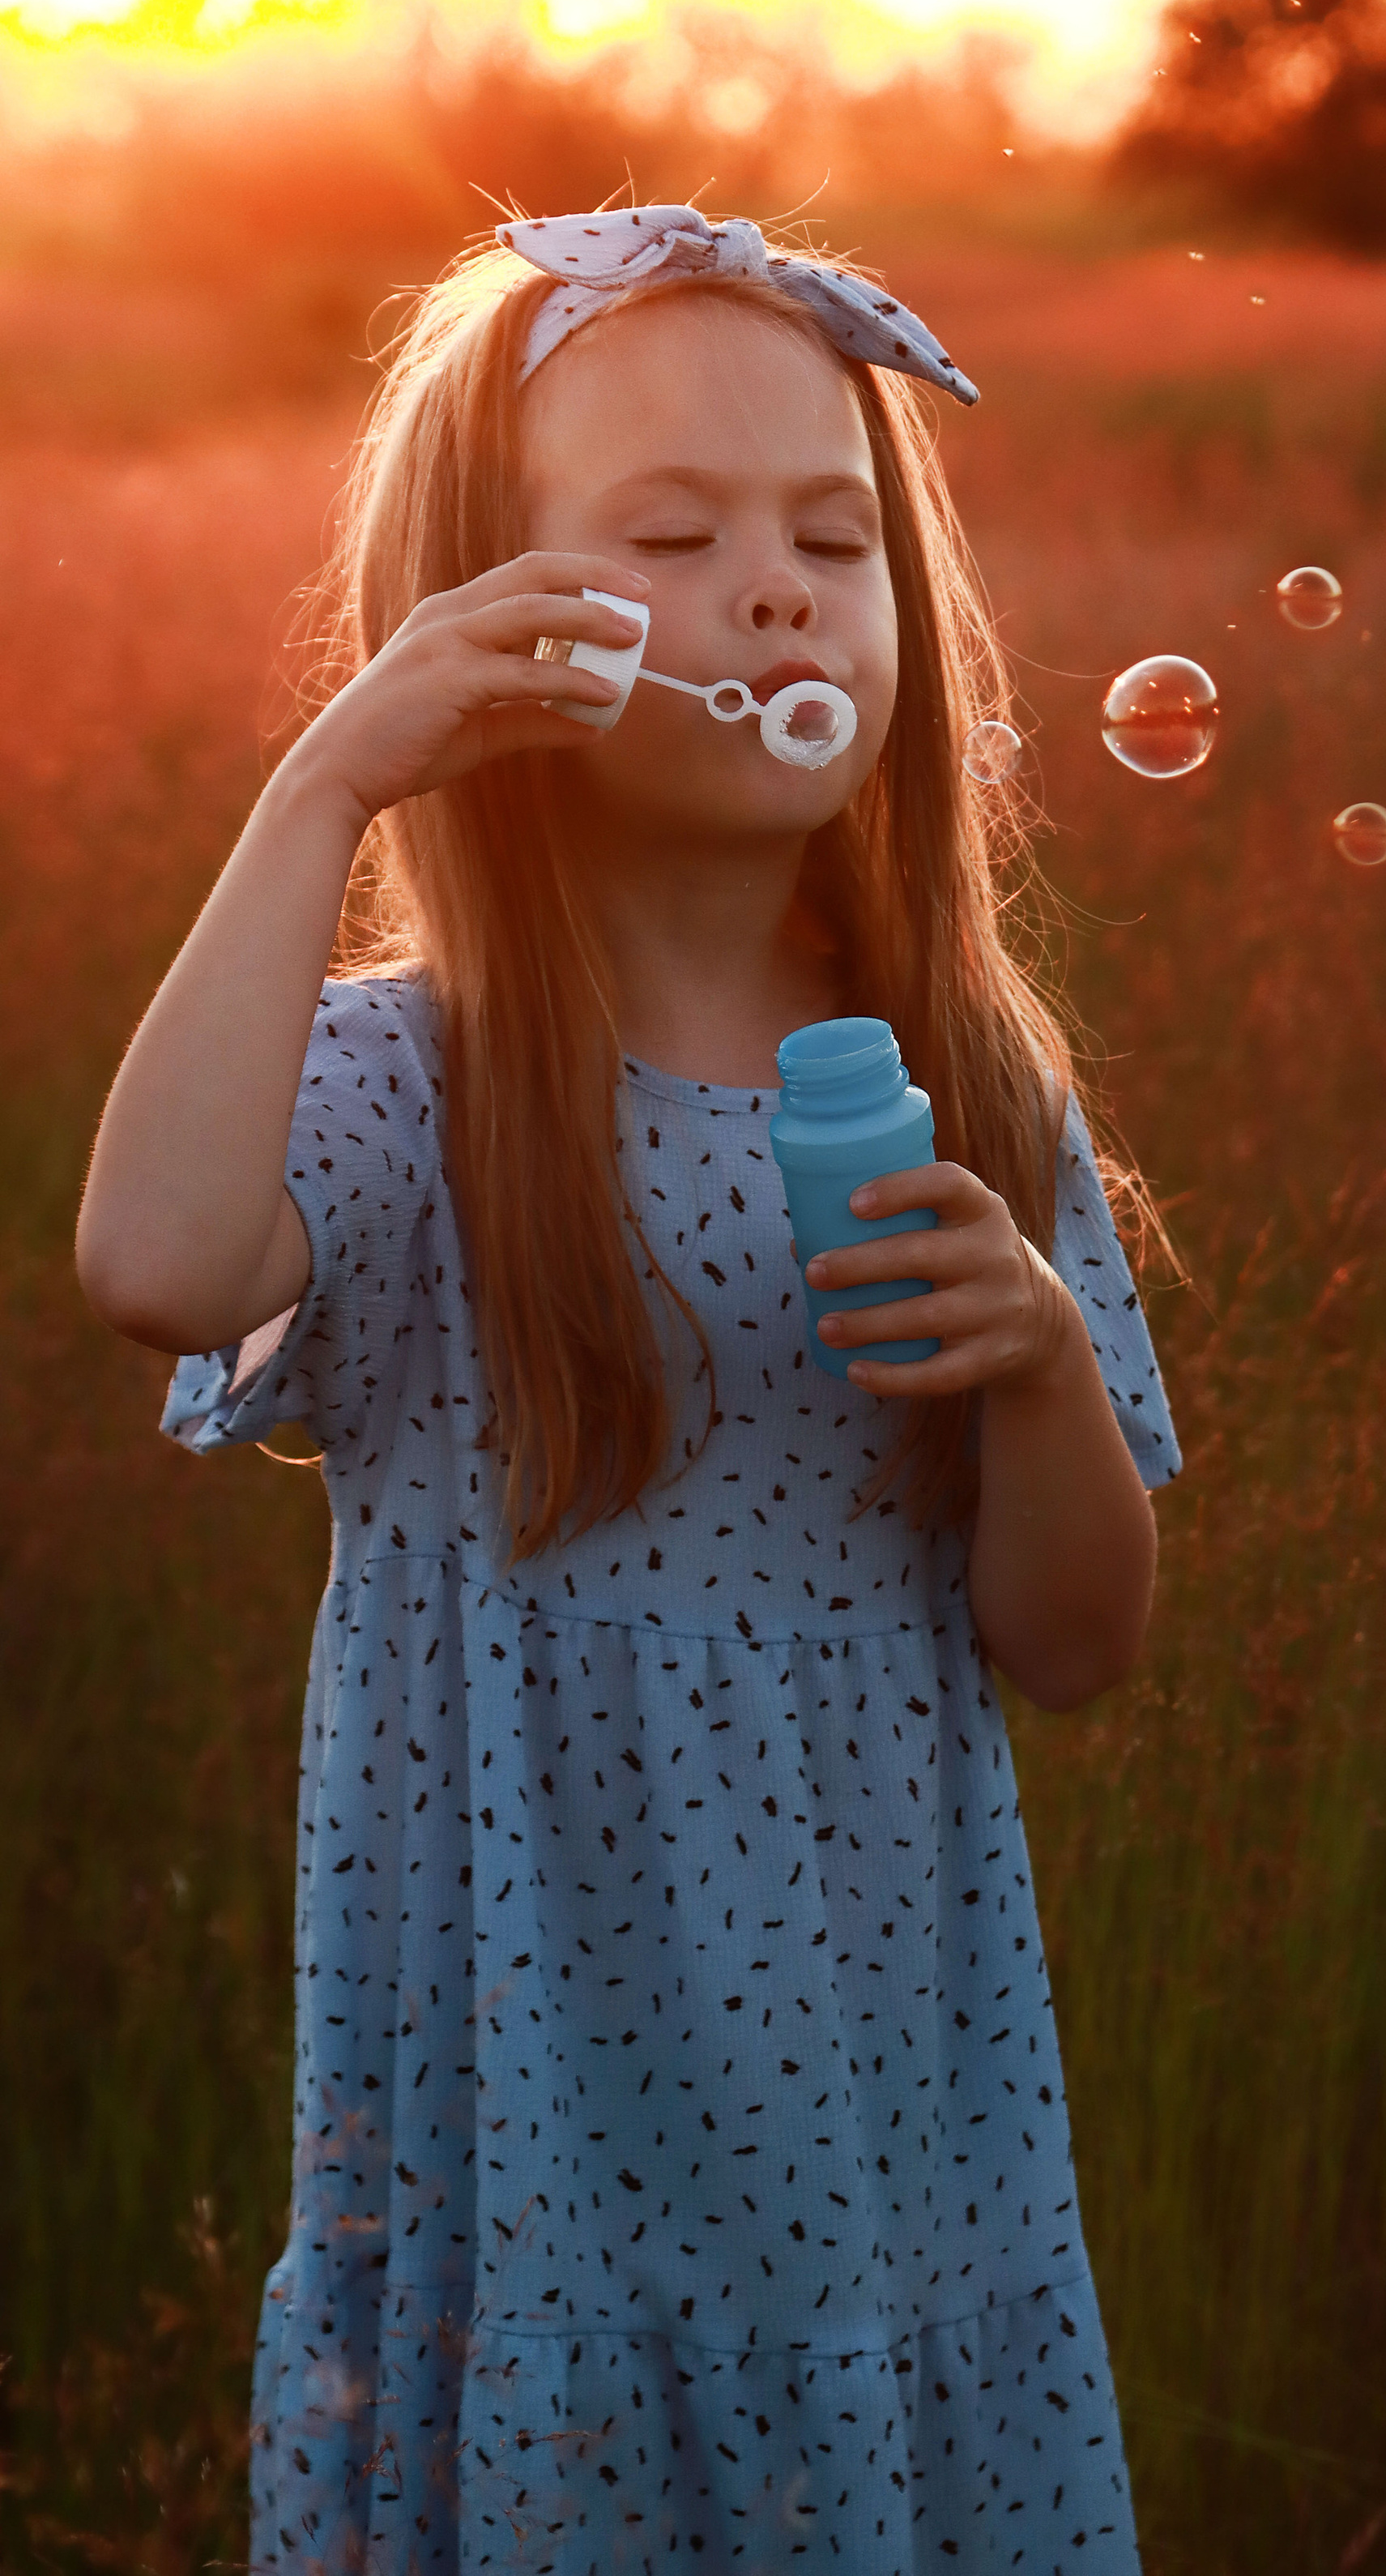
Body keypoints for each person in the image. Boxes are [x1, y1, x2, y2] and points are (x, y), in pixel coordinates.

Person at [75, 206, 1179, 2572]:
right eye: (671, 537)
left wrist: (1048, 1370)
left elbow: (1079, 1641)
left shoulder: (970, 1078)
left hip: (886, 2066)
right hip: (534, 2070)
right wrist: (324, 789)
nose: (782, 590)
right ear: (491, 629)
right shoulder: (407, 1085)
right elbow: (153, 1261)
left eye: (836, 536)